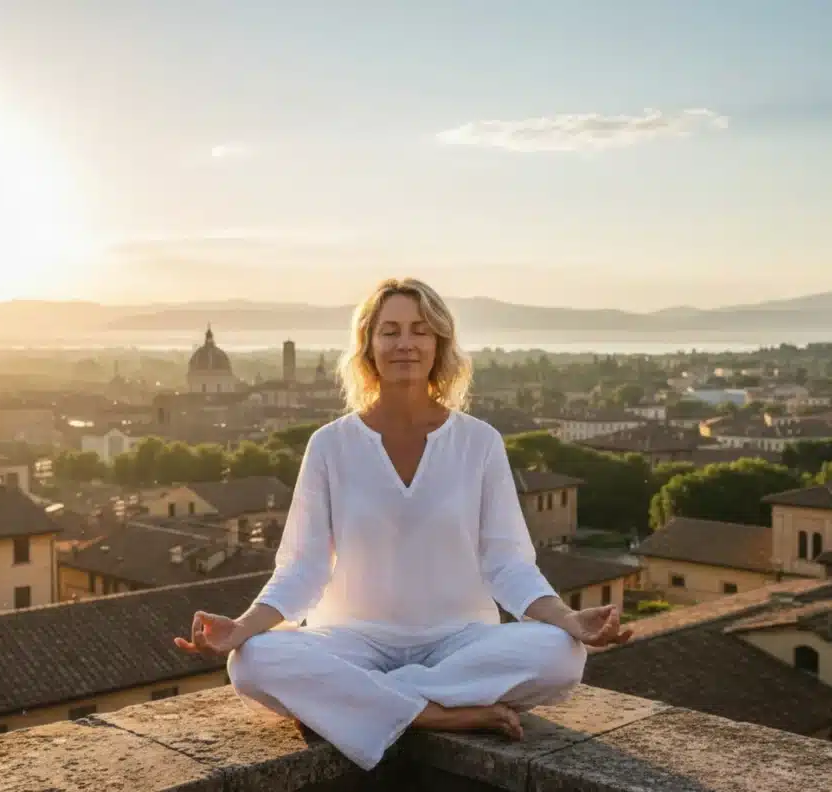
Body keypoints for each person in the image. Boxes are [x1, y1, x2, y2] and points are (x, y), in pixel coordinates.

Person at [175, 277, 631, 771]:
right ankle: (433, 714)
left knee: (563, 656)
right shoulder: (330, 445)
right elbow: (303, 568)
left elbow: (508, 564)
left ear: (439, 344)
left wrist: (566, 619)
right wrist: (242, 627)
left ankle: (367, 706)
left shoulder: (480, 443)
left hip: (460, 641)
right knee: (249, 662)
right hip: (351, 641)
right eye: (389, 331)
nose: (405, 343)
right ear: (369, 346)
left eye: (420, 330)